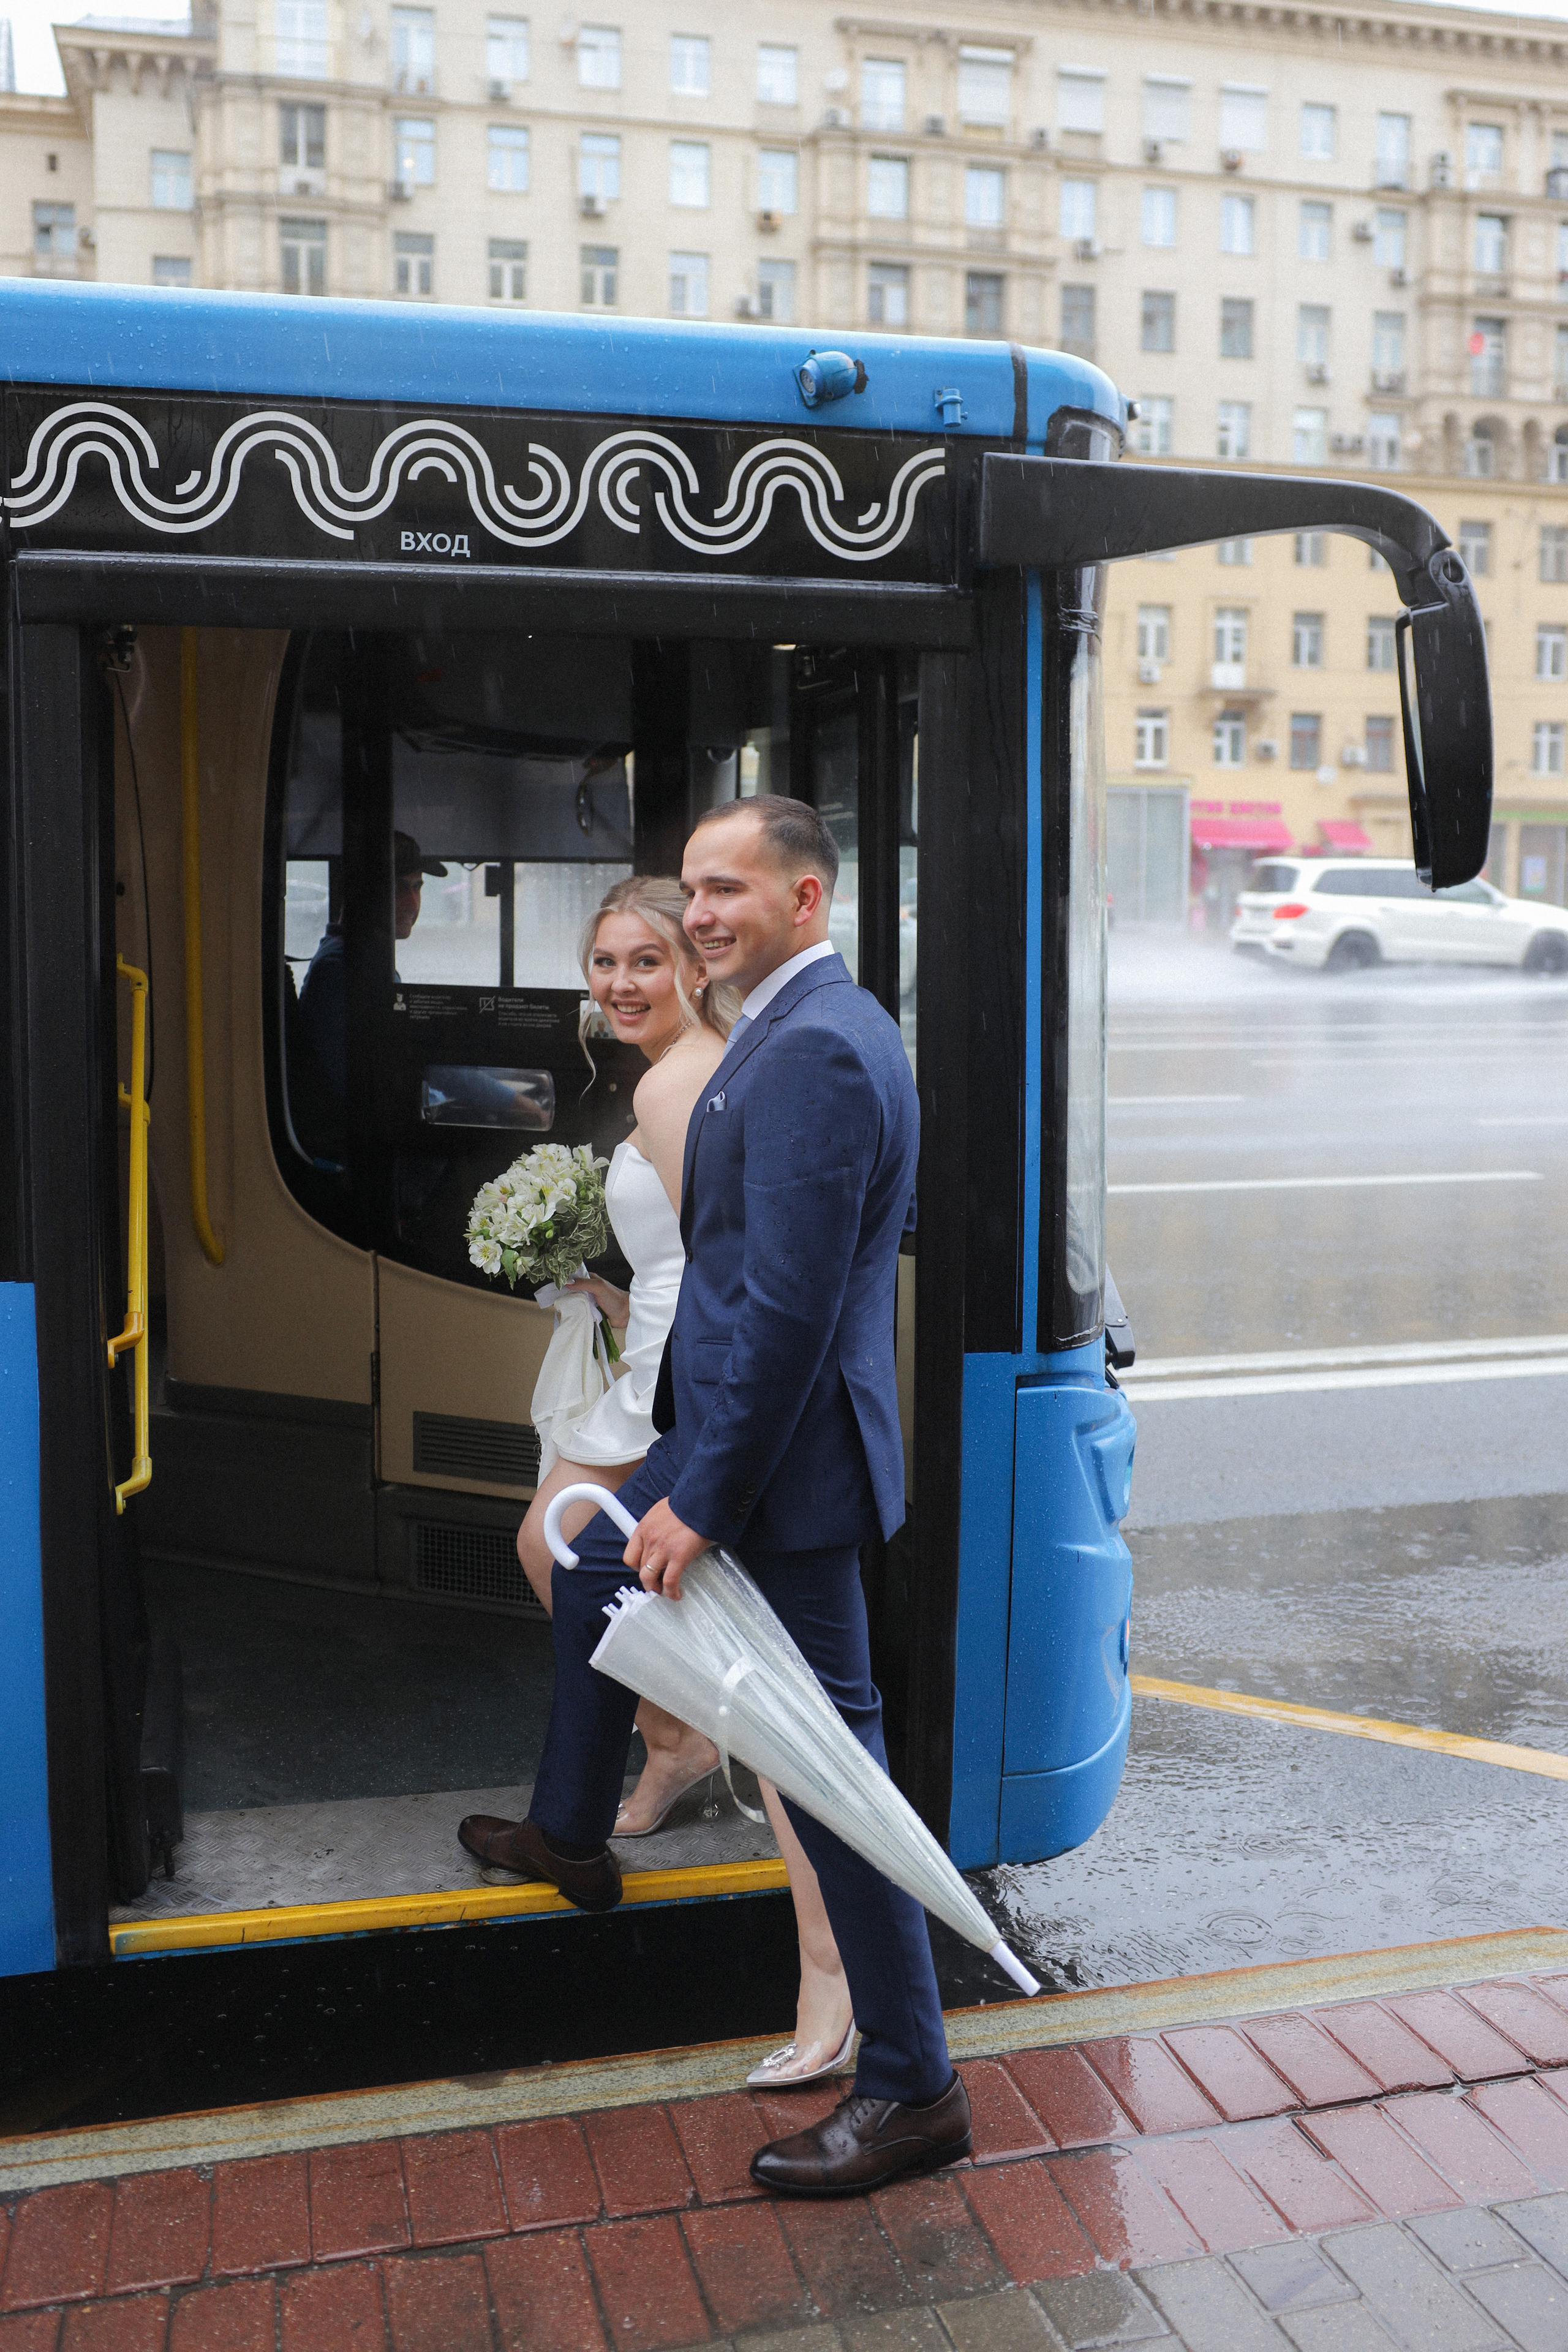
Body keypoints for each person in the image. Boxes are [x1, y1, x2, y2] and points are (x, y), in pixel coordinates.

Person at [461, 801, 969, 2195]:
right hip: (765, 1456)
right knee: (592, 1575)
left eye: (724, 887)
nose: (698, 913)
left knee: (831, 1775)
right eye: (689, 887)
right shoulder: (802, 1029)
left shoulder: (808, 1050)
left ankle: (908, 2081)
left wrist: (698, 1496)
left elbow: (783, 1312)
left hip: (780, 1477)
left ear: (806, 898)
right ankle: (576, 1822)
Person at [477, 873, 858, 2089]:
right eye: (605, 964)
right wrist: (610, 1288)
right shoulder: (666, 1076)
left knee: (770, 1694)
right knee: (561, 1552)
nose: (621, 983)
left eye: (646, 961)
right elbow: (697, 1255)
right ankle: (636, 1768)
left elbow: (740, 1281)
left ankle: (827, 1967)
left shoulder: (689, 1078)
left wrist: (703, 1453)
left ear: (694, 968)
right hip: (660, 1363)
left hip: (697, 1404)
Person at [298, 831, 446, 1101]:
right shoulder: (345, 966)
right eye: (399, 887)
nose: (413, 904)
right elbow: (381, 1080)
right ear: (364, 889)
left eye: (417, 887)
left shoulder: (356, 954)